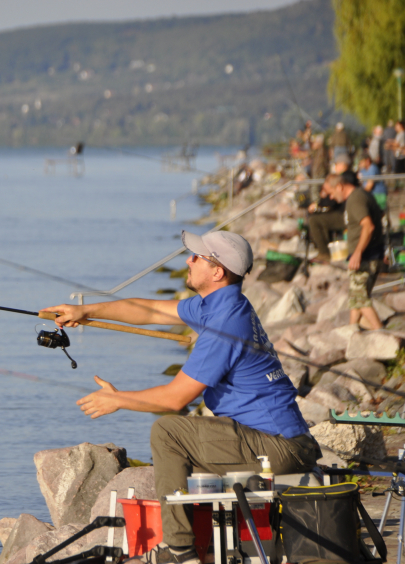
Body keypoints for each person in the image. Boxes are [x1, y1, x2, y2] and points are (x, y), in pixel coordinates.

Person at [41, 231, 321, 564]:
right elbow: (152, 311)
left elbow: (175, 399)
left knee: (169, 432)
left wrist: (118, 400)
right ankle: (210, 542)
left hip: (279, 445)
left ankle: (180, 551)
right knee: (183, 444)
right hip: (273, 438)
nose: (188, 259)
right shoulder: (219, 304)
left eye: (197, 257)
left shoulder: (225, 324)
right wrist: (85, 310)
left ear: (217, 272)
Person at [330, 171, 385, 330]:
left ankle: (383, 335)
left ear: (339, 186)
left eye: (332, 192)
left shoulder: (355, 199)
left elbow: (368, 226)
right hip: (371, 254)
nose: (332, 197)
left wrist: (358, 252)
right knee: (356, 298)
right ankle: (351, 332)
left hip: (365, 257)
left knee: (360, 300)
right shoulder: (361, 195)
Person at [308, 174, 346, 262]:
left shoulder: (346, 177)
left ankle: (324, 252)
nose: (331, 196)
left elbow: (332, 202)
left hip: (343, 214)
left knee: (314, 220)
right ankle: (324, 251)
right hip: (341, 212)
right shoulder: (344, 179)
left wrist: (319, 203)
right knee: (317, 218)